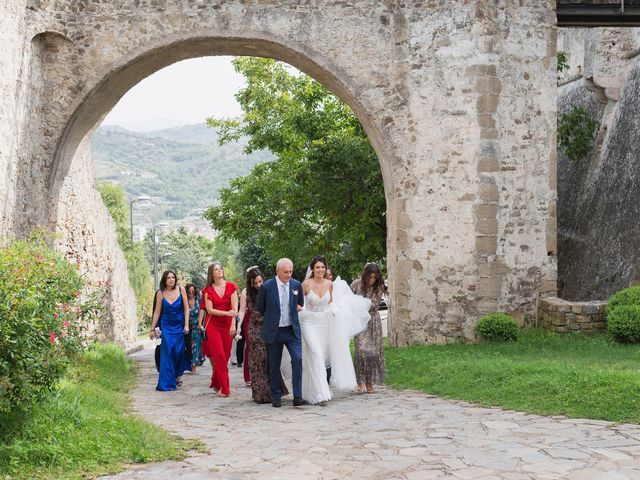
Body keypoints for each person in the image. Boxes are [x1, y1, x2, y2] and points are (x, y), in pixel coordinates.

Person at [299, 255, 371, 404]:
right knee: (316, 353)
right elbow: (299, 304)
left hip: (325, 323)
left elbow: (330, 302)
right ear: (312, 268)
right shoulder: (305, 284)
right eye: (317, 267)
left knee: (321, 355)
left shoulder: (329, 284)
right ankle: (321, 392)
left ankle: (317, 390)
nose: (320, 270)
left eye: (323, 267)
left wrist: (335, 311)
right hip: (309, 323)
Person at [255, 258, 307, 408]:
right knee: (274, 364)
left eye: (291, 271)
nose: (289, 274)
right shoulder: (267, 287)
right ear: (277, 271)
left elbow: (300, 304)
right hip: (274, 331)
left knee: (297, 360)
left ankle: (297, 396)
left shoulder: (296, 285)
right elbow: (261, 308)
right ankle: (276, 395)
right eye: (286, 272)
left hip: (292, 331)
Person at [241, 266, 289, 403]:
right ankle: (261, 394)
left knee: (270, 359)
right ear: (250, 282)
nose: (258, 285)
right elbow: (242, 311)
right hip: (255, 328)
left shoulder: (269, 289)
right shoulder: (246, 292)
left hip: (269, 326)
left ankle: (275, 391)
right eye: (255, 283)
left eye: (260, 281)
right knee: (257, 361)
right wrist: (237, 325)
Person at [201, 262, 238, 397]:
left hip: (227, 325)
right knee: (219, 356)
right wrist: (227, 313)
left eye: (220, 269)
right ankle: (225, 388)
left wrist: (233, 323)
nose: (220, 271)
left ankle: (216, 382)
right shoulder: (208, 290)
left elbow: (234, 309)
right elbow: (209, 310)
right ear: (212, 274)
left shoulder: (231, 287)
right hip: (213, 326)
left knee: (226, 355)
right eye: (216, 270)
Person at [149, 270, 189, 391]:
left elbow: (186, 308)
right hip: (166, 327)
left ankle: (178, 373)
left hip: (179, 325)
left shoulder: (181, 289)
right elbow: (157, 312)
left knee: (178, 352)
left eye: (173, 277)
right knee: (167, 353)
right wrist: (152, 328)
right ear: (164, 280)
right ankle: (167, 383)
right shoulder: (160, 293)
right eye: (168, 278)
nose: (171, 279)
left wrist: (186, 325)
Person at [351, 263, 387, 394]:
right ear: (365, 275)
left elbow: (374, 304)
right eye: (370, 277)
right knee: (361, 351)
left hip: (373, 321)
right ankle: (360, 380)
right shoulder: (356, 284)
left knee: (372, 353)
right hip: (360, 321)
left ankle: (369, 381)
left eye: (375, 277)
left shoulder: (379, 287)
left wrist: (361, 303)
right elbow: (348, 299)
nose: (372, 280)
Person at [185, 283, 205, 374]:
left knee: (196, 347)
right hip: (187, 327)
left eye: (193, 291)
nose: (191, 293)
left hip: (197, 326)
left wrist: (200, 323)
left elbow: (203, 311)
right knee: (188, 347)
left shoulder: (199, 300)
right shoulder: (184, 301)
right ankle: (187, 365)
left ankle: (193, 368)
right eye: (189, 291)